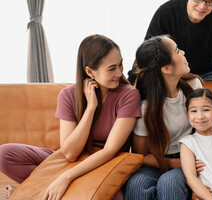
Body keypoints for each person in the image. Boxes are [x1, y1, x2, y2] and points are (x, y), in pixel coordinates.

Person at [0, 34, 141, 200]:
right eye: (112, 68)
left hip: (105, 163)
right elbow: (70, 153)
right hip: (72, 161)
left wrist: (65, 178)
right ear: (90, 71)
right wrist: (90, 108)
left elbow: (110, 151)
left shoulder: (129, 95)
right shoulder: (68, 95)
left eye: (120, 64)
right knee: (5, 154)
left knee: (113, 197)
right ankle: (57, 190)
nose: (119, 72)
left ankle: (39, 189)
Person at [123, 35, 203, 200]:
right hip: (156, 160)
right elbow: (141, 155)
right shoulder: (145, 107)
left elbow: (209, 129)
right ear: (166, 69)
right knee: (136, 184)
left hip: (187, 158)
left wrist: (186, 163)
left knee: (169, 183)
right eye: (177, 51)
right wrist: (174, 163)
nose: (183, 52)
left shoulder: (194, 86)